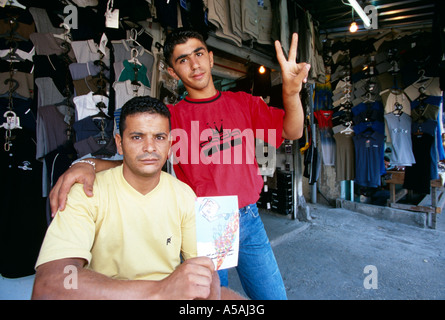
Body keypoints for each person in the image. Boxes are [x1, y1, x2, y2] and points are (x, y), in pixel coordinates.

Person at [49, 29, 310, 300]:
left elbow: (293, 131)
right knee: (212, 300)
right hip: (201, 222)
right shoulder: (170, 118)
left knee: (274, 297)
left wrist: (291, 94)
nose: (194, 64)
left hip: (249, 218)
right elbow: (137, 160)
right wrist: (88, 164)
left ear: (210, 58)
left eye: (198, 54)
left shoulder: (243, 102)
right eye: (183, 60)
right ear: (173, 72)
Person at [32, 96, 243, 300]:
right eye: (137, 137)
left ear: (170, 145)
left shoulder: (183, 195)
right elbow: (51, 284)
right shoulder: (87, 192)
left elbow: (206, 268)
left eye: (159, 137)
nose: (149, 147)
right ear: (120, 143)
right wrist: (160, 291)